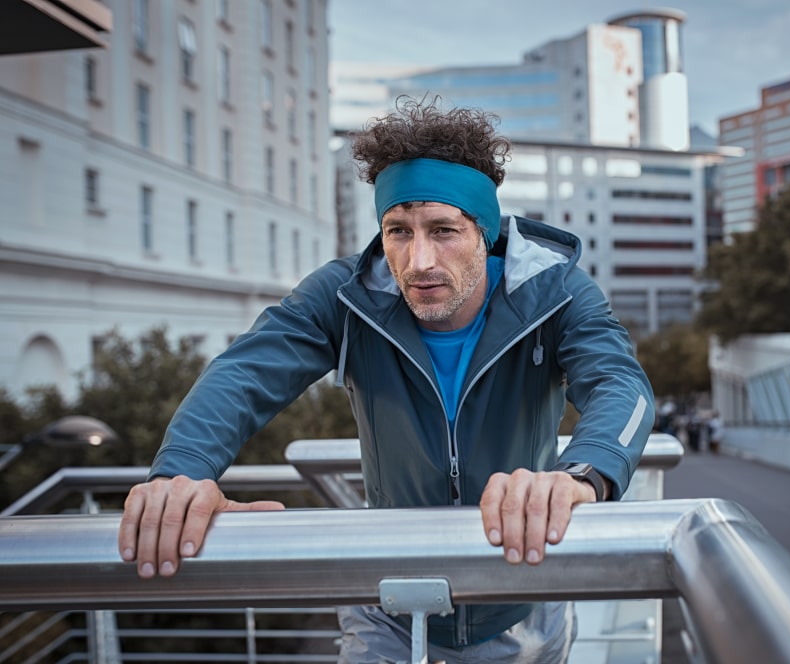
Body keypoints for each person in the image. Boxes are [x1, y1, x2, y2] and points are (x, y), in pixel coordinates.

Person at [117, 97, 655, 663]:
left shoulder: (555, 292)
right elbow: (243, 373)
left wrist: (581, 475)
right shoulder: (345, 297)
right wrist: (180, 474)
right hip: (387, 602)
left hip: (523, 599)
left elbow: (622, 385)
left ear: (484, 231)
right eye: (398, 231)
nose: (418, 261)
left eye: (443, 230)